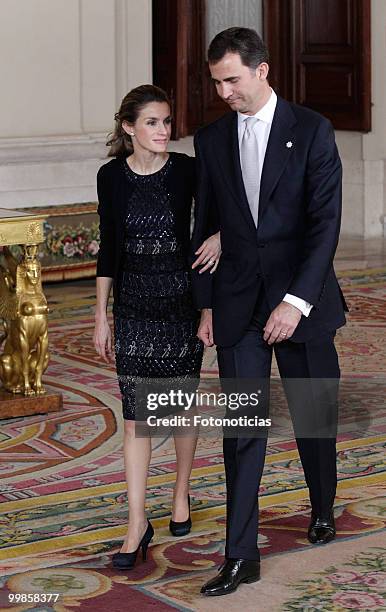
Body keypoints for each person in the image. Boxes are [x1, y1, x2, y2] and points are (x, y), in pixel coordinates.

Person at [191, 28, 348, 596]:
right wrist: (206, 306)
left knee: (313, 418)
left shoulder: (311, 131)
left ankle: (323, 506)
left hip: (302, 301)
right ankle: (241, 557)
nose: (224, 92)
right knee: (242, 431)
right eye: (216, 82)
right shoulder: (210, 140)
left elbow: (324, 225)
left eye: (231, 79)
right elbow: (204, 226)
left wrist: (295, 302)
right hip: (237, 304)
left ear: (261, 70)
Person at [93, 84, 221, 571]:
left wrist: (220, 243)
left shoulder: (187, 170)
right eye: (152, 122)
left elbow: (226, 212)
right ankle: (136, 522)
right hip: (134, 310)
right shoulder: (111, 177)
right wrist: (101, 314)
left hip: (182, 305)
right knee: (136, 416)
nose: (164, 131)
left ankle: (182, 491)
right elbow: (108, 248)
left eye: (167, 122)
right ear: (129, 127)